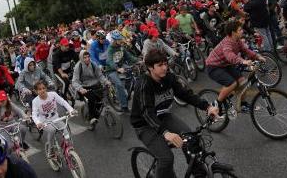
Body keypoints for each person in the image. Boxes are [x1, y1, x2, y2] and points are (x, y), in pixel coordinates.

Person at [131, 49, 219, 178]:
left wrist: (207, 106)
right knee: (166, 159)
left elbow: (185, 94)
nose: (165, 68)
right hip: (144, 124)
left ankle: (198, 174)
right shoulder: (144, 84)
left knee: (191, 140)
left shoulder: (169, 77)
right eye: (160, 65)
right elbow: (147, 113)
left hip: (163, 116)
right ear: (150, 67)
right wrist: (166, 133)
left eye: (165, 64)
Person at [205, 21, 266, 116]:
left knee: (243, 81)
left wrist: (257, 56)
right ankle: (216, 103)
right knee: (232, 83)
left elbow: (246, 50)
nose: (242, 31)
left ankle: (241, 104)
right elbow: (229, 55)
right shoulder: (227, 42)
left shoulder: (237, 41)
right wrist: (243, 61)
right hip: (213, 66)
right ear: (233, 32)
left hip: (225, 65)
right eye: (240, 30)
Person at [31, 81, 75, 158]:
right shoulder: (35, 101)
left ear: (46, 88)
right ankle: (50, 149)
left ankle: (69, 151)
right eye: (39, 89)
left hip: (56, 119)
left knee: (66, 133)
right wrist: (38, 122)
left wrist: (71, 110)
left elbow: (63, 102)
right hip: (45, 122)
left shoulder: (53, 95)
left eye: (44, 88)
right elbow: (34, 114)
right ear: (36, 91)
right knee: (52, 130)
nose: (42, 90)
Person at [72, 50, 111, 130]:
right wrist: (80, 89)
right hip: (84, 87)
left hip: (95, 85)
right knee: (92, 99)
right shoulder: (78, 67)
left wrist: (106, 81)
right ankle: (91, 119)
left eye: (88, 57)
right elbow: (74, 81)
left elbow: (100, 75)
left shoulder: (93, 64)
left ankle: (95, 113)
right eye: (84, 57)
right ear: (81, 58)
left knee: (101, 99)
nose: (87, 59)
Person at [105, 30, 139, 112]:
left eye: (120, 39)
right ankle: (124, 106)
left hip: (122, 66)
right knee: (119, 85)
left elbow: (129, 56)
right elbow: (109, 61)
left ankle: (127, 92)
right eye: (119, 39)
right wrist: (117, 68)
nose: (120, 41)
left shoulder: (121, 47)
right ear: (114, 40)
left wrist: (138, 61)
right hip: (111, 70)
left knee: (133, 74)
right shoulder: (110, 49)